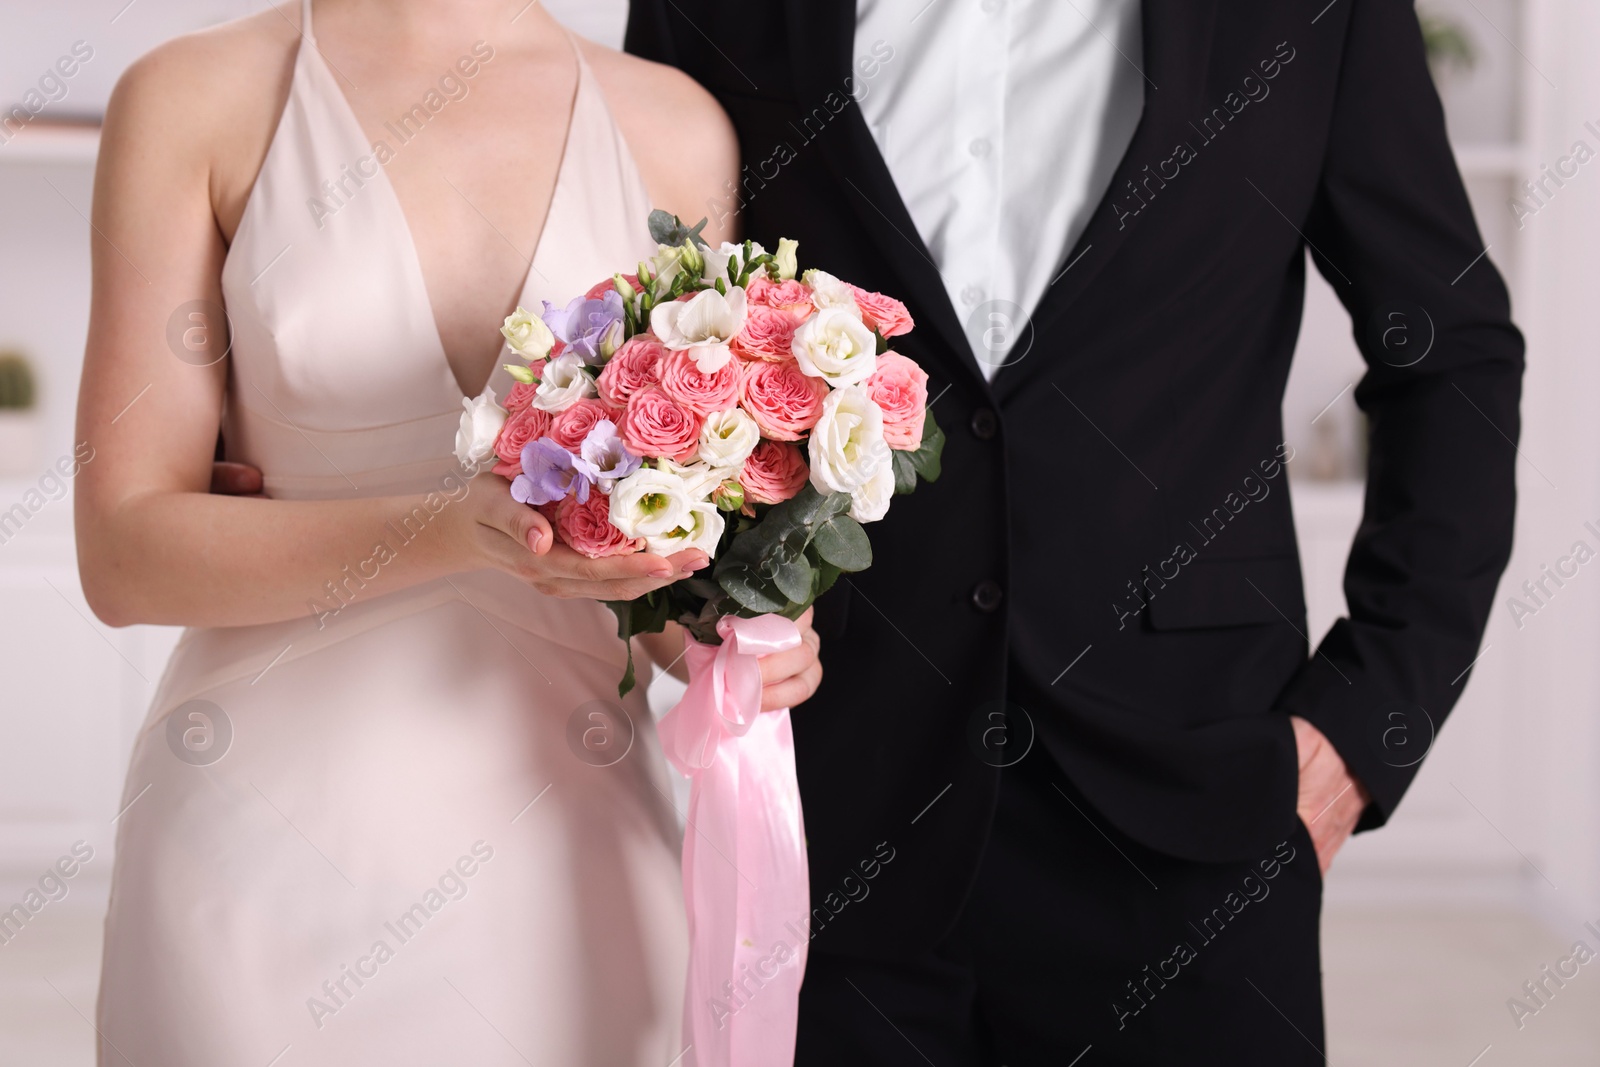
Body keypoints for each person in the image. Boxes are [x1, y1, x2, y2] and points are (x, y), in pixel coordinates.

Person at [624, 0, 1523, 1063]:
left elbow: (1447, 351)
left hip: (1192, 803)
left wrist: (1363, 726)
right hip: (838, 809)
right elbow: (658, 319)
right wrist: (685, 609)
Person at [74, 1, 820, 1062]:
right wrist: (457, 531)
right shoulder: (197, 96)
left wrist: (735, 624)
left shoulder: (672, 122)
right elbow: (121, 554)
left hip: (575, 864)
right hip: (259, 852)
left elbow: (660, 593)